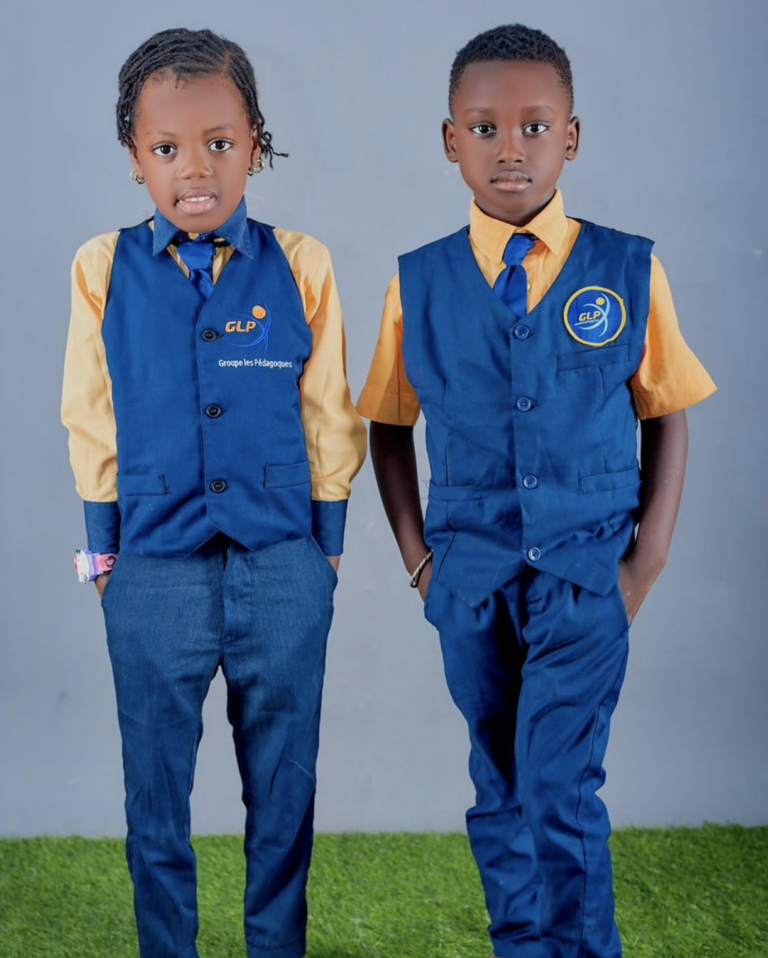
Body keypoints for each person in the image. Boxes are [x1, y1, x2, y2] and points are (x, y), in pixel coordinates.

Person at [357, 23, 715, 958]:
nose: (508, 147)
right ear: (451, 141)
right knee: (501, 783)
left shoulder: (627, 269)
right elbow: (387, 426)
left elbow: (667, 411)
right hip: (469, 583)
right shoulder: (417, 283)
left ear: (572, 137)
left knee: (560, 784)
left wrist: (647, 560)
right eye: (484, 128)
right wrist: (420, 566)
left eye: (533, 126)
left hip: (587, 575)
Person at [61, 27, 366, 958]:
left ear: (255, 144)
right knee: (154, 798)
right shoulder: (102, 266)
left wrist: (326, 547)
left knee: (284, 792)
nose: (194, 168)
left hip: (282, 565)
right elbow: (90, 416)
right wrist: (104, 553)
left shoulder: (302, 263)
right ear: (135, 157)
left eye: (220, 143)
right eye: (166, 148)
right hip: (152, 569)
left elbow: (328, 411)